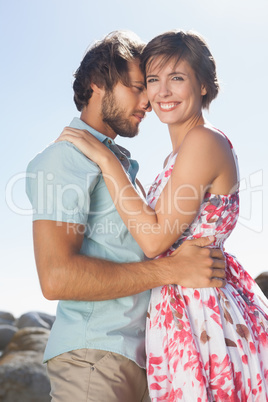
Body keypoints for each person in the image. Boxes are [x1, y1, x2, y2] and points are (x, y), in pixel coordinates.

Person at [58, 30, 268, 401]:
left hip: (204, 316)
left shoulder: (204, 141)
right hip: (182, 310)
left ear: (202, 85)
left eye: (177, 78)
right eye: (153, 80)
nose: (163, 91)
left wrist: (107, 159)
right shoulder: (179, 156)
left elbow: (154, 240)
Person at [26, 30, 226, 402]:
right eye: (140, 86)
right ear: (97, 83)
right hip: (93, 358)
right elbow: (55, 277)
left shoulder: (122, 167)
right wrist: (172, 270)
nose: (149, 101)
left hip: (142, 359)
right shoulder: (66, 158)